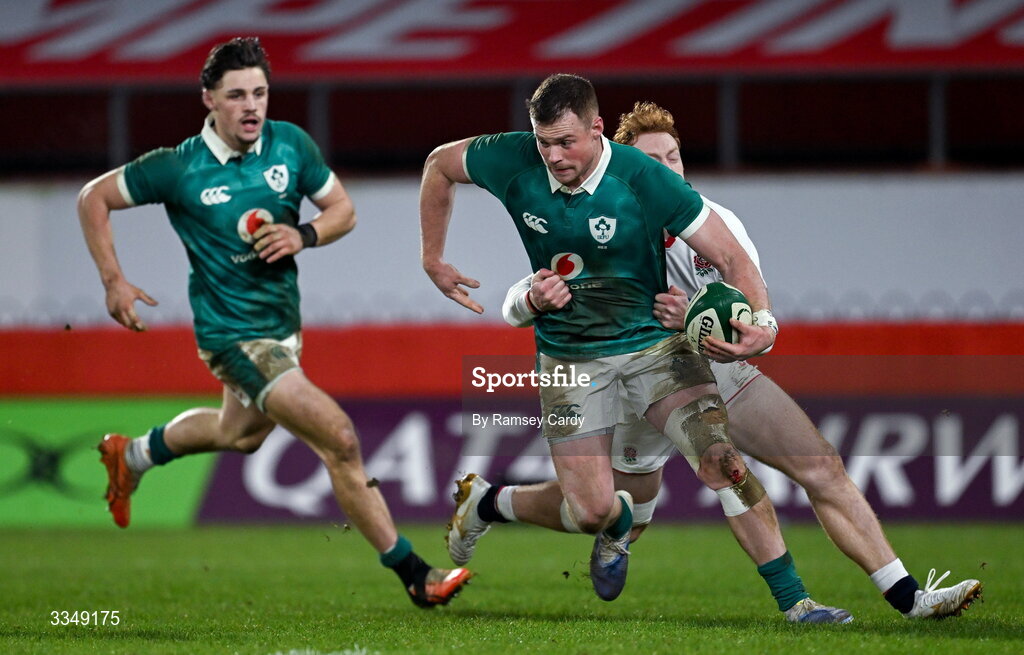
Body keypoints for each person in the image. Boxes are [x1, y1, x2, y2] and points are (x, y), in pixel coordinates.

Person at [466, 101, 982, 620]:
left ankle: (902, 598)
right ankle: (490, 503)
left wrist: (754, 330)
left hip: (715, 367)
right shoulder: (597, 215)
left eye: (673, 157)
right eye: (652, 160)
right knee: (606, 514)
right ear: (623, 163)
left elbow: (745, 305)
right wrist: (531, 301)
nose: (666, 170)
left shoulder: (715, 222)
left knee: (817, 466)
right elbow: (527, 293)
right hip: (631, 382)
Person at [421, 74, 850, 622]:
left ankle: (797, 603)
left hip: (654, 348)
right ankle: (487, 502)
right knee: (592, 511)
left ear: (597, 129)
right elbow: (438, 164)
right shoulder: (510, 157)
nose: (553, 156)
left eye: (566, 142)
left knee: (723, 461)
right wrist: (432, 258)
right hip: (569, 356)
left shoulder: (644, 177)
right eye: (544, 142)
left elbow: (733, 258)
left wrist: (762, 321)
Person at [77, 37, 471, 609]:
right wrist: (114, 280)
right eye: (237, 95)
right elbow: (93, 198)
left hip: (282, 329)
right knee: (339, 438)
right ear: (209, 99)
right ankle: (415, 573)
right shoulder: (178, 167)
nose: (251, 106)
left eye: (259, 93)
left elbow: (343, 211)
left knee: (238, 434)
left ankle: (132, 454)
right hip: (233, 336)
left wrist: (304, 234)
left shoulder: (290, 145)